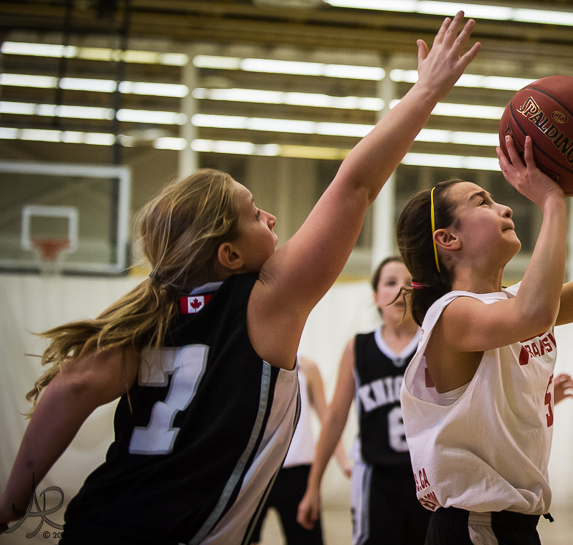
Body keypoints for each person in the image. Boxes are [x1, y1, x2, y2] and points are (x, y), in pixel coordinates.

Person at [0, 13, 481, 543]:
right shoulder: (267, 301)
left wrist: (11, 502)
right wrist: (426, 91)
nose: (270, 218)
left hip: (97, 523)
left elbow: (70, 387)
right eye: (255, 214)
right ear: (228, 255)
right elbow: (356, 185)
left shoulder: (148, 314)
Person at [396, 135, 573, 544]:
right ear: (448, 239)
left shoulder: (517, 303)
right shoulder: (450, 315)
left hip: (512, 524)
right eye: (482, 202)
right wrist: (552, 201)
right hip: (474, 527)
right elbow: (534, 315)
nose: (504, 207)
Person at [296, 256, 430, 544]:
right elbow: (335, 417)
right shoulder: (358, 348)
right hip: (374, 477)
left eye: (409, 283)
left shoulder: (432, 343)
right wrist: (313, 484)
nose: (401, 290)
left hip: (426, 477)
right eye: (390, 282)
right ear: (375, 296)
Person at [249, 356, 350, 545]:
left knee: (306, 537)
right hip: (256, 470)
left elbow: (327, 418)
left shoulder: (307, 369)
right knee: (245, 538)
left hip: (297, 473)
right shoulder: (249, 366)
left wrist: (343, 461)